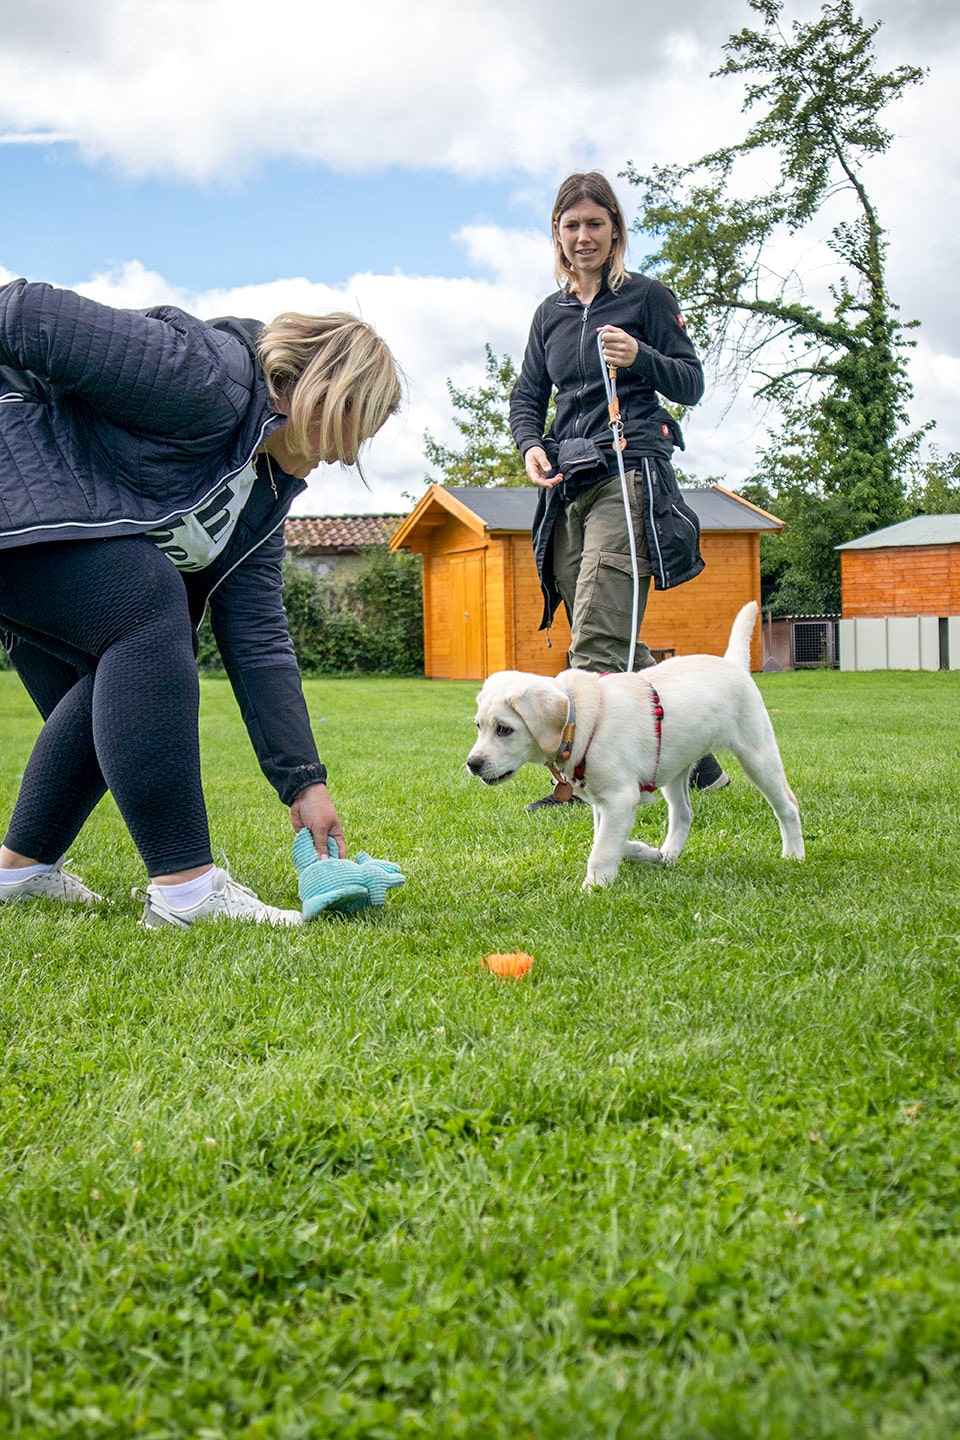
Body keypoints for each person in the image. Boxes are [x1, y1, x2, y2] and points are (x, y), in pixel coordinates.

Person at [0, 278, 401, 926]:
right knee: (148, 601)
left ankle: (20, 872)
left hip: (35, 542)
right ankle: (187, 892)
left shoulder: (266, 491)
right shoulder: (208, 375)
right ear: (323, 383)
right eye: (356, 423)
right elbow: (22, 313)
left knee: (134, 666)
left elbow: (258, 638)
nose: (345, 453)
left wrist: (305, 782)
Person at [509, 171, 729, 809]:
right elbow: (528, 396)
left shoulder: (646, 298)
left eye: (594, 224)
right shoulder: (548, 314)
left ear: (615, 231)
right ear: (557, 233)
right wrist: (530, 446)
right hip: (567, 482)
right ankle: (702, 758)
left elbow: (690, 382)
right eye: (571, 225)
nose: (583, 237)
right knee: (612, 635)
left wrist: (639, 356)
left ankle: (574, 780)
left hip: (628, 472)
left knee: (596, 641)